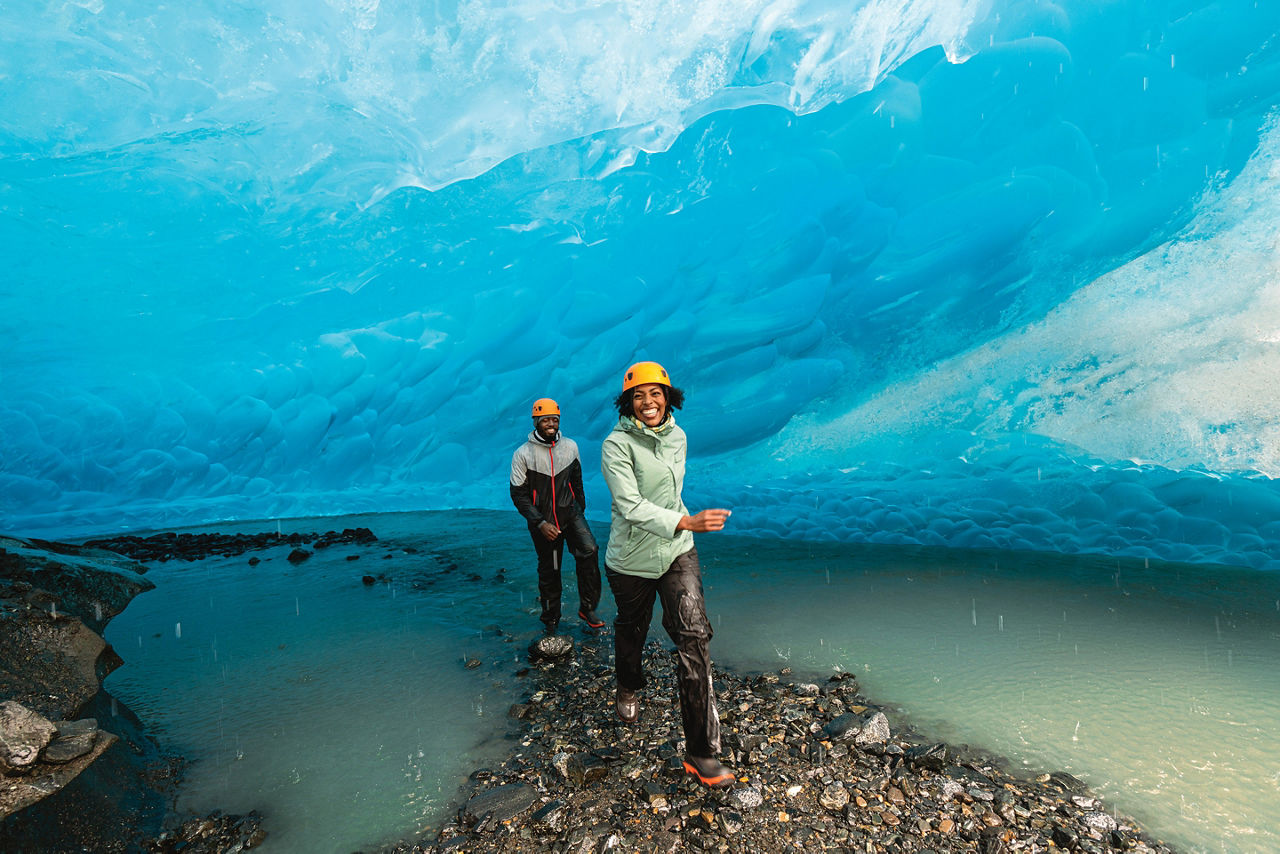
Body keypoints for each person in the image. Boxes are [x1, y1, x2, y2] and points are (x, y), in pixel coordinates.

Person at [600, 361, 735, 788]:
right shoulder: (615, 445)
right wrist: (686, 522)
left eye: (655, 393)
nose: (648, 402)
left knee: (694, 637)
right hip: (632, 560)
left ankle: (700, 752)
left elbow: (671, 492)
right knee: (632, 630)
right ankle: (627, 685)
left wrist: (684, 526)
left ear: (667, 396)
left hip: (678, 551)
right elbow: (630, 505)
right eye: (638, 396)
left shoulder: (678, 436)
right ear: (628, 402)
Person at [510, 397, 604, 634]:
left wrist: (579, 510)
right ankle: (551, 619)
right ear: (536, 421)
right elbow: (518, 495)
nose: (551, 424)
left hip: (570, 513)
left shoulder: (571, 446)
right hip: (543, 521)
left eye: (554, 419)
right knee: (550, 569)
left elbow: (577, 480)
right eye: (545, 420)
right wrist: (540, 522)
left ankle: (587, 608)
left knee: (590, 551)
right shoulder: (522, 454)